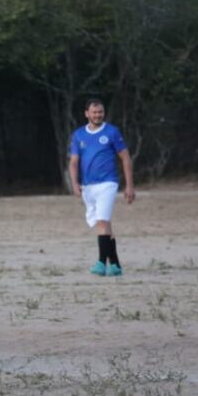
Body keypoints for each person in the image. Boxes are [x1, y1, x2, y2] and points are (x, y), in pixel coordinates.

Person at [68, 98, 135, 276]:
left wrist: (129, 186)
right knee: (103, 223)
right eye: (94, 112)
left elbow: (125, 157)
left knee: (102, 222)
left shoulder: (112, 132)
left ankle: (100, 262)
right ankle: (115, 264)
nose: (98, 115)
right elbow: (74, 162)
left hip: (108, 183)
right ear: (87, 114)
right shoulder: (78, 135)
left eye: (100, 112)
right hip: (88, 186)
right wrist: (74, 184)